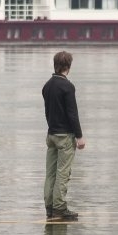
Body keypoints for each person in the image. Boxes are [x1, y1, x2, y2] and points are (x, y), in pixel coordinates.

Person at [42, 51, 86, 221]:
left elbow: (48, 112)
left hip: (51, 135)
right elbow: (72, 114)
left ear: (55, 65)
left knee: (50, 173)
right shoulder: (67, 86)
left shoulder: (47, 86)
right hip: (64, 136)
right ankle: (59, 208)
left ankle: (49, 207)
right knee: (63, 173)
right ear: (68, 66)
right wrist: (79, 136)